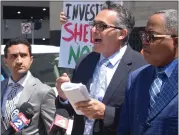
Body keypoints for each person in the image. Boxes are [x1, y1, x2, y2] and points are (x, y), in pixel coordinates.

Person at [56, 1, 147, 135]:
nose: (93, 30)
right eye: (93, 25)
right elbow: (72, 109)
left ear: (121, 33)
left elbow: (142, 117)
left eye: (101, 26)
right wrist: (64, 97)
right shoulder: (84, 61)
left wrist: (106, 113)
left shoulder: (141, 66)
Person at [118, 9, 178, 135]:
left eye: (151, 36)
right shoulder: (136, 78)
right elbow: (125, 128)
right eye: (143, 36)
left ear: (175, 42)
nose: (144, 42)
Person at [1, 38, 56, 135]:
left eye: (23, 55)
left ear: (31, 59)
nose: (19, 61)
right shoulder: (1, 87)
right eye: (13, 56)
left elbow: (53, 132)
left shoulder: (43, 92)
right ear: (5, 60)